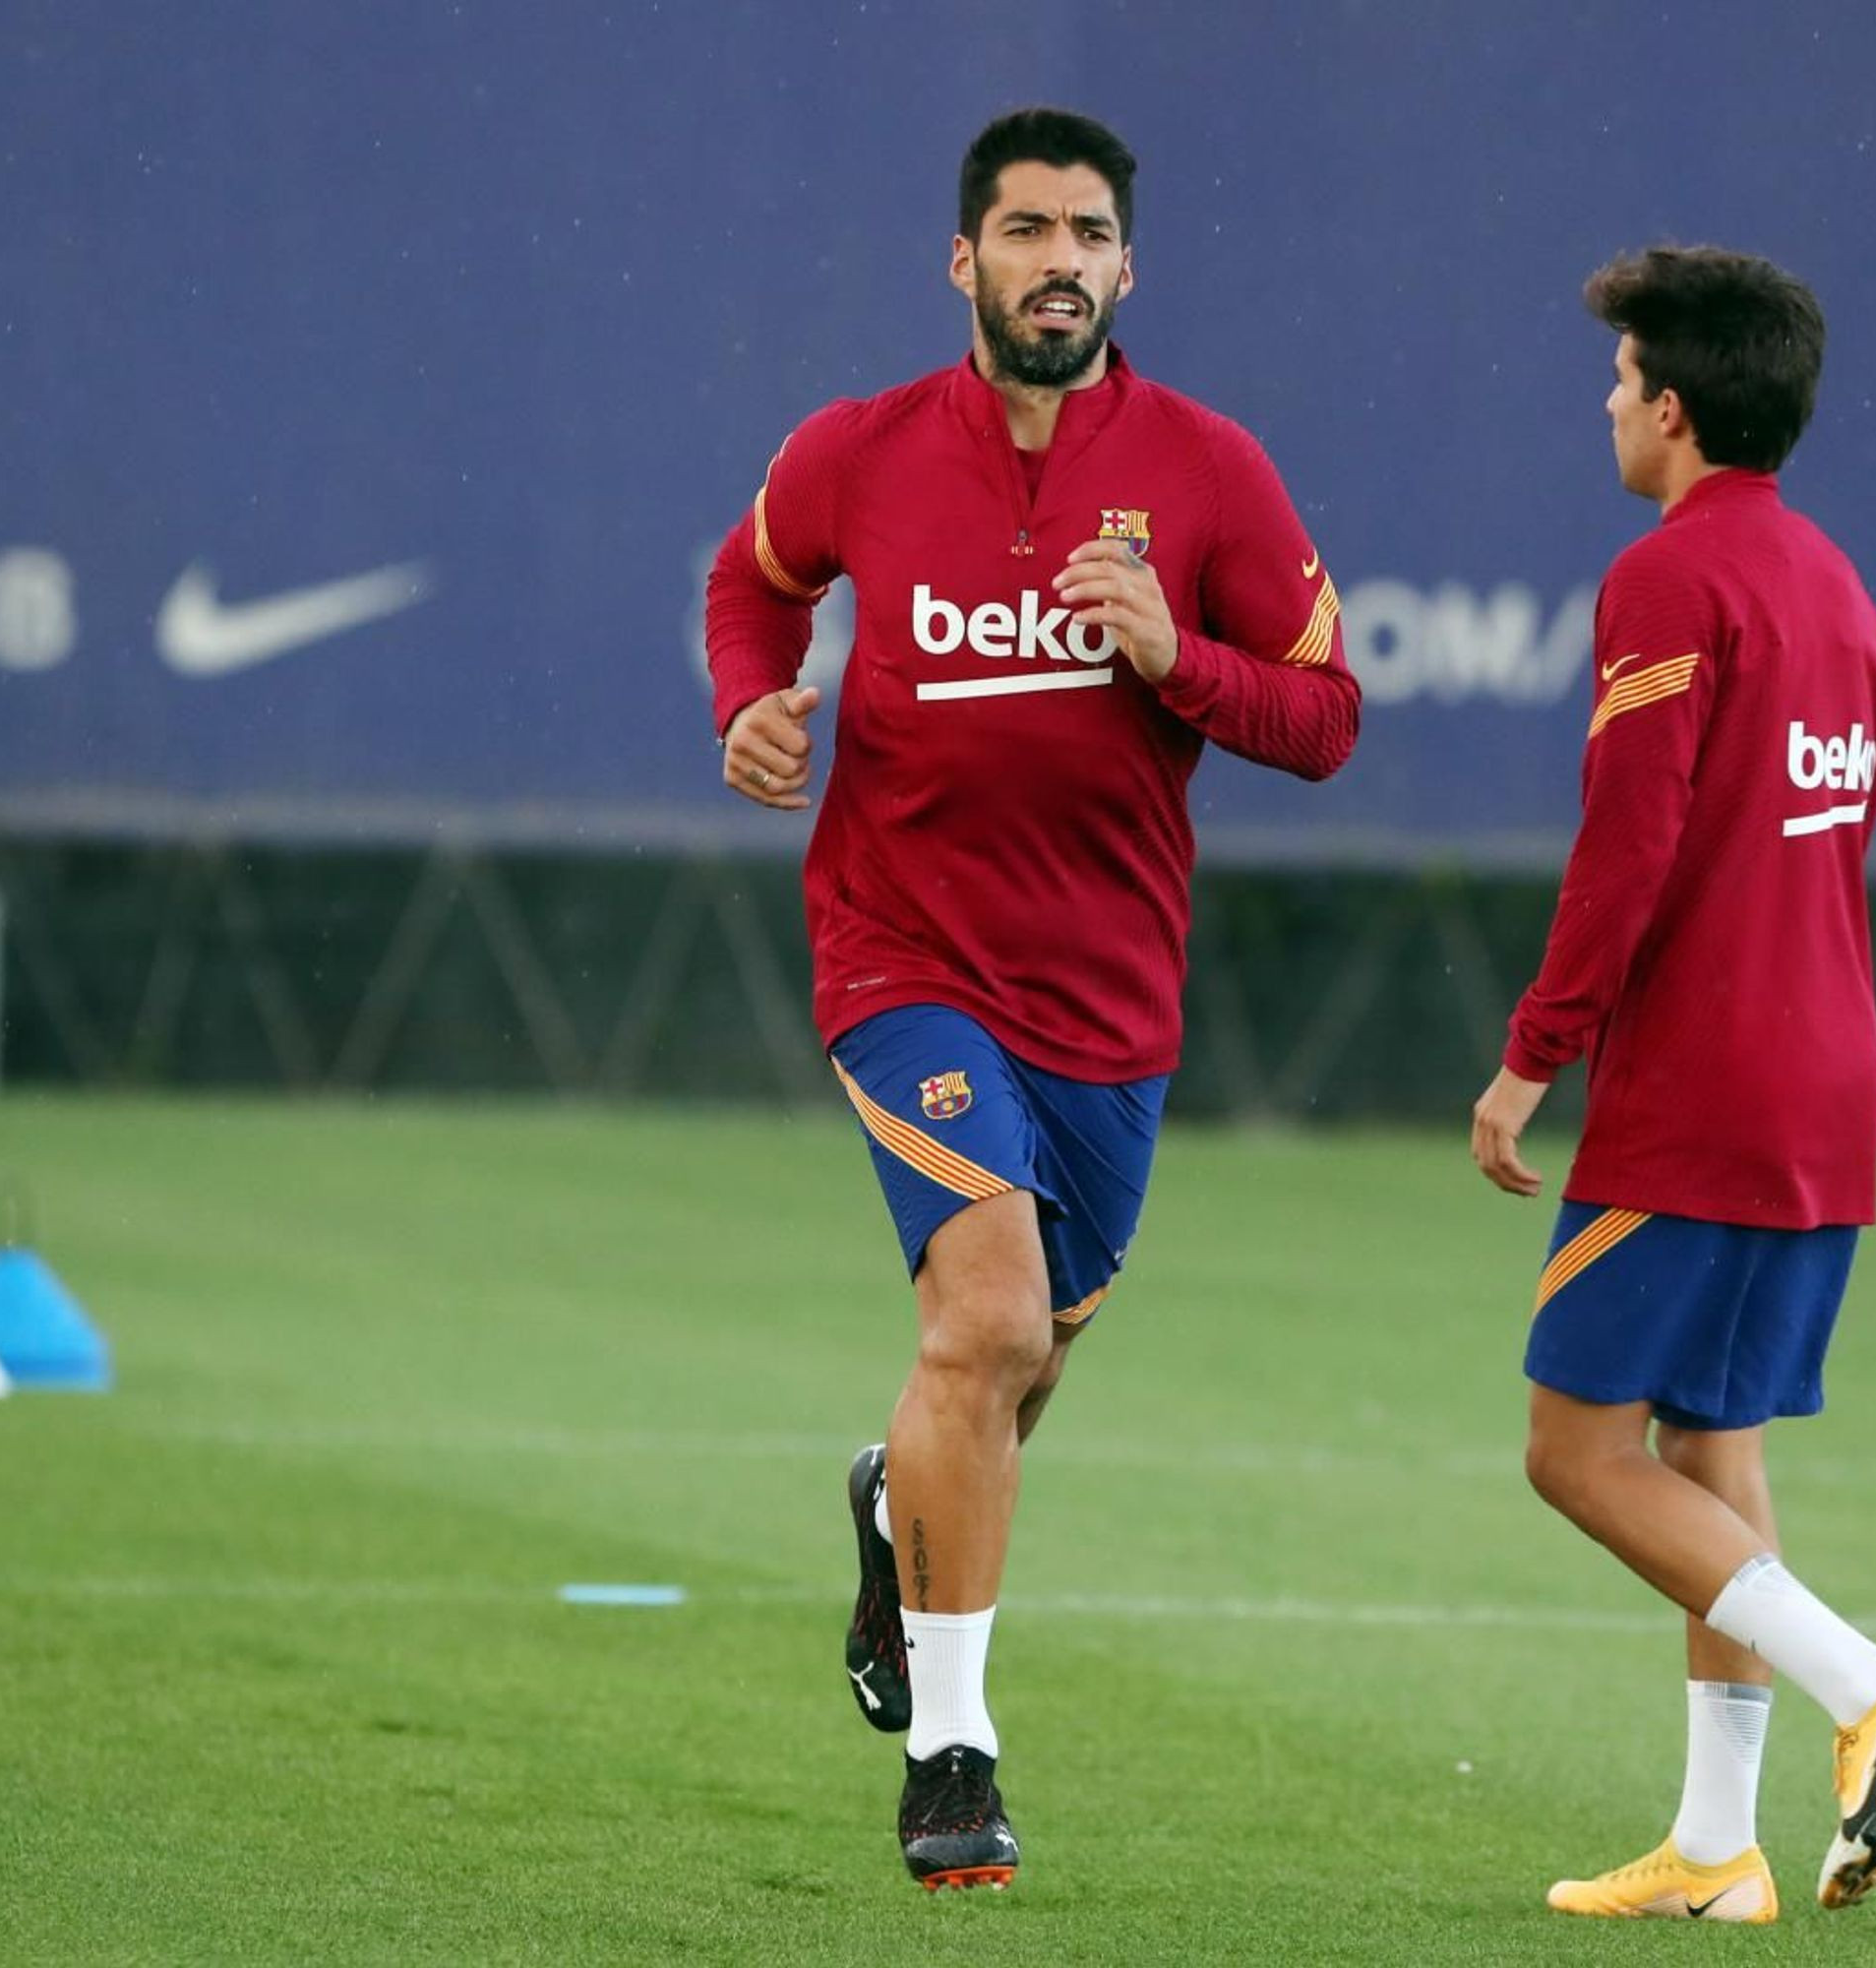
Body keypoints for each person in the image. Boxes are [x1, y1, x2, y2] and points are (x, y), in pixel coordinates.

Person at [703, 105, 1359, 1892]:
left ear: (1127, 267)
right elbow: (751, 581)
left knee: (1017, 1364)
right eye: (1023, 231)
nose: (1056, 260)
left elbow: (1322, 718)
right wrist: (753, 705)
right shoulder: (857, 451)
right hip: (902, 960)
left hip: (1108, 999)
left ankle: (887, 1500)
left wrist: (1175, 655)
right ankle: (951, 1759)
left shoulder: (1211, 472)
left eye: (1087, 235)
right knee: (983, 1331)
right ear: (963, 259)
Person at [1468, 244, 1876, 1923]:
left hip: (1709, 1088)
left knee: (1570, 1447)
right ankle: (1713, 1848)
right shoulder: (1836, 584)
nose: (1605, 405)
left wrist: (1532, 1054)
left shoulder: (1673, 578)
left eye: (1619, 383)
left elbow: (1632, 844)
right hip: (1829, 1078)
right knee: (1710, 1434)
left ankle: (1866, 1685)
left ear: (1671, 411)